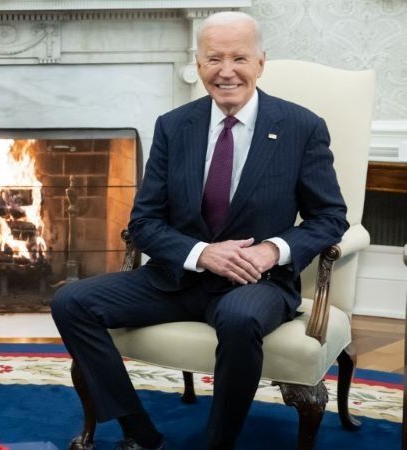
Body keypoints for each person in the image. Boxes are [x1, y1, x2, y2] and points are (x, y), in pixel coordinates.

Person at [51, 11, 348, 450]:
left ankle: (218, 442)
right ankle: (139, 430)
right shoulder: (174, 126)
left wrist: (272, 250)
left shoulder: (301, 127)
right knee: (71, 301)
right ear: (198, 63)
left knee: (240, 316)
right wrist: (201, 253)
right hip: (178, 277)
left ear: (261, 62)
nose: (226, 71)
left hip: (257, 282)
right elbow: (144, 222)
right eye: (214, 59)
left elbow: (330, 217)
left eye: (239, 58)